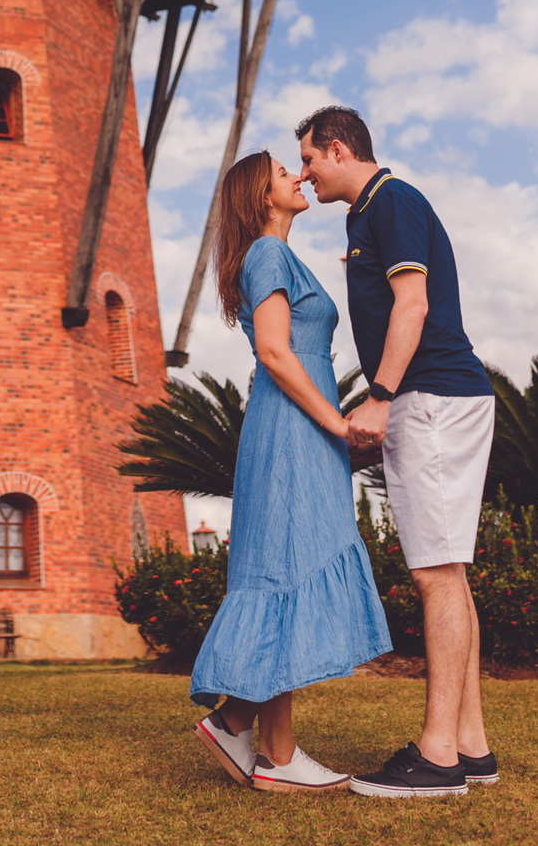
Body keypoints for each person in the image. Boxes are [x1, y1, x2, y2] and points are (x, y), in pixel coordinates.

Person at [296, 105, 498, 799]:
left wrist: (380, 394)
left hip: (432, 397)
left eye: (311, 160)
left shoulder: (393, 201)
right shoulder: (366, 216)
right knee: (450, 572)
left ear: (340, 148)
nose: (305, 175)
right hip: (440, 397)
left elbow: (411, 305)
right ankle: (469, 745)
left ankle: (437, 757)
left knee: (435, 576)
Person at [190, 150, 391, 794]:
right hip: (293, 430)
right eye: (285, 171)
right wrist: (336, 425)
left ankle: (247, 728)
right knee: (286, 569)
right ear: (261, 195)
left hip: (301, 428)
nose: (298, 177)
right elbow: (276, 352)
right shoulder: (266, 255)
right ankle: (273, 750)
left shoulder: (278, 255)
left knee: (291, 570)